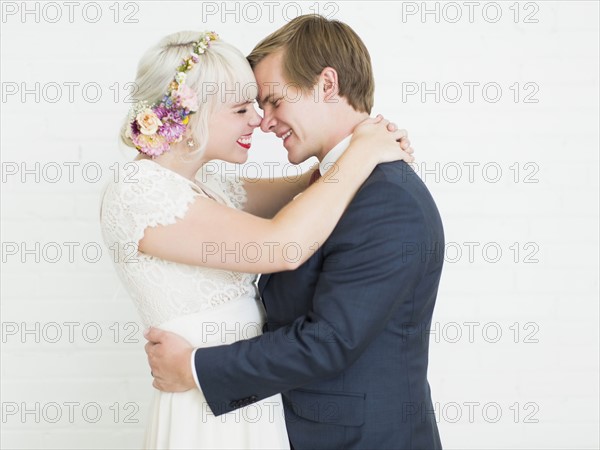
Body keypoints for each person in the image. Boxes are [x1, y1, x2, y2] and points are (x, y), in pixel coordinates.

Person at [100, 29, 413, 449]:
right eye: (242, 108)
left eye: (264, 103)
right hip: (204, 404)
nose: (258, 121)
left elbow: (308, 184)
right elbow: (282, 247)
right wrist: (360, 155)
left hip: (242, 396)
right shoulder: (141, 190)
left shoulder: (206, 184)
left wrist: (363, 144)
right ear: (194, 114)